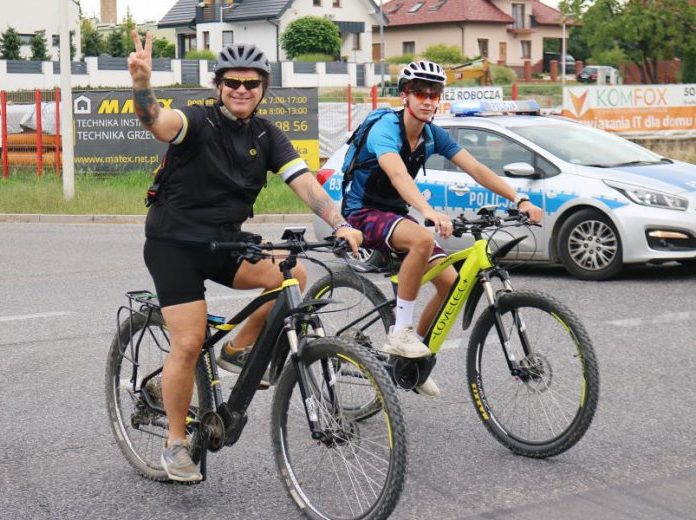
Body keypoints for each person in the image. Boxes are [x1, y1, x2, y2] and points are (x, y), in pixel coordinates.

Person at [127, 32, 363, 483]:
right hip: (174, 243)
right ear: (218, 86)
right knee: (190, 341)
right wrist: (142, 85)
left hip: (225, 242)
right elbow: (156, 121)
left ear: (263, 89)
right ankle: (176, 443)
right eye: (232, 82)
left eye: (251, 84)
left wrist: (340, 222)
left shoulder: (266, 134)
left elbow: (306, 184)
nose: (241, 90)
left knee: (293, 272)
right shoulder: (196, 122)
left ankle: (237, 350)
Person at [342, 60, 543, 398]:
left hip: (396, 214)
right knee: (422, 236)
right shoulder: (385, 129)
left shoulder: (432, 135)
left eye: (435, 93)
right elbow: (396, 174)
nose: (428, 99)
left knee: (451, 284)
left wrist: (519, 198)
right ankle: (400, 332)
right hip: (363, 212)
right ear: (405, 95)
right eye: (420, 92)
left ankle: (410, 362)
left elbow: (477, 168)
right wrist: (427, 210)